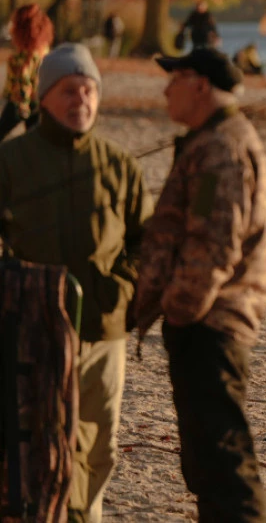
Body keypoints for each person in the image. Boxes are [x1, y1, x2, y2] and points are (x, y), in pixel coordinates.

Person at [0, 43, 153, 522]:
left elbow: (147, 244)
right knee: (33, 441)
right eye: (69, 90)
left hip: (103, 334)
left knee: (97, 443)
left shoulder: (120, 165)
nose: (81, 100)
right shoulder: (10, 161)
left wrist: (122, 290)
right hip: (29, 333)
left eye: (89, 90)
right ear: (44, 97)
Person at [133, 47, 266, 523]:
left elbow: (214, 246)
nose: (166, 90)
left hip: (211, 326)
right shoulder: (210, 139)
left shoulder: (221, 148)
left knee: (225, 467)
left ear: (199, 85)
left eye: (174, 79)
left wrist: (178, 313)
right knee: (207, 466)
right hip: (205, 323)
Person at [0, 3, 53, 141]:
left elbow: (23, 82)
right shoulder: (44, 52)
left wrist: (22, 105)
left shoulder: (21, 58)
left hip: (19, 103)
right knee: (36, 139)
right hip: (39, 101)